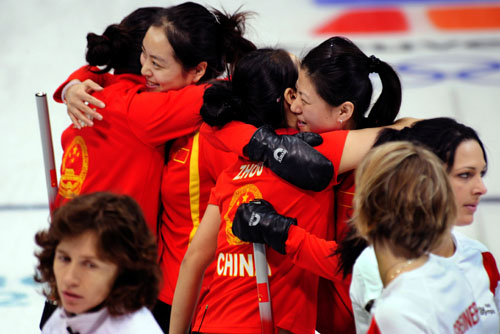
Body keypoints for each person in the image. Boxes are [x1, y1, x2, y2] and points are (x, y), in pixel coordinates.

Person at [170, 43, 414, 333]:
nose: (298, 104)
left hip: (209, 322)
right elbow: (415, 131)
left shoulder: (233, 169)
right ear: (284, 98)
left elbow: (193, 259)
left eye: (303, 97)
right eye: (295, 93)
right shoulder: (319, 152)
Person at [51, 3, 256, 332]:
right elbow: (221, 92)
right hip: (105, 280)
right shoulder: (144, 110)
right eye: (145, 56)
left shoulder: (106, 91)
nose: (147, 69)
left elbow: (96, 75)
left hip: (70, 269)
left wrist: (72, 85)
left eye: (157, 62)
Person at [348, 118, 500, 333]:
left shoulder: (480, 258)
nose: (482, 188)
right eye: (465, 175)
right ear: (425, 180)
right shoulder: (374, 267)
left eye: (481, 173)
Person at [34, 192, 163, 334]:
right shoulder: (60, 320)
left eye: (90, 265)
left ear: (124, 271)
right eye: (64, 259)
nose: (69, 279)